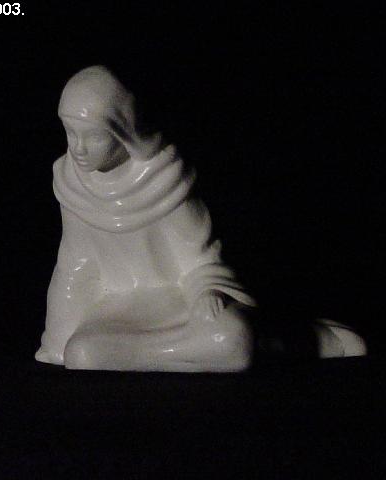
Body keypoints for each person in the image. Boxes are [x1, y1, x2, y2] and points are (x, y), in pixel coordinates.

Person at [35, 66, 366, 371]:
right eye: (70, 133)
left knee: (229, 336)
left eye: (94, 136)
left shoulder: (163, 176)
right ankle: (210, 353)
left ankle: (298, 339)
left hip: (181, 300)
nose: (79, 148)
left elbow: (200, 256)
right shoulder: (70, 182)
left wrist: (208, 292)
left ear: (125, 131)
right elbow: (76, 263)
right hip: (120, 310)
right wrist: (56, 340)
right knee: (82, 354)